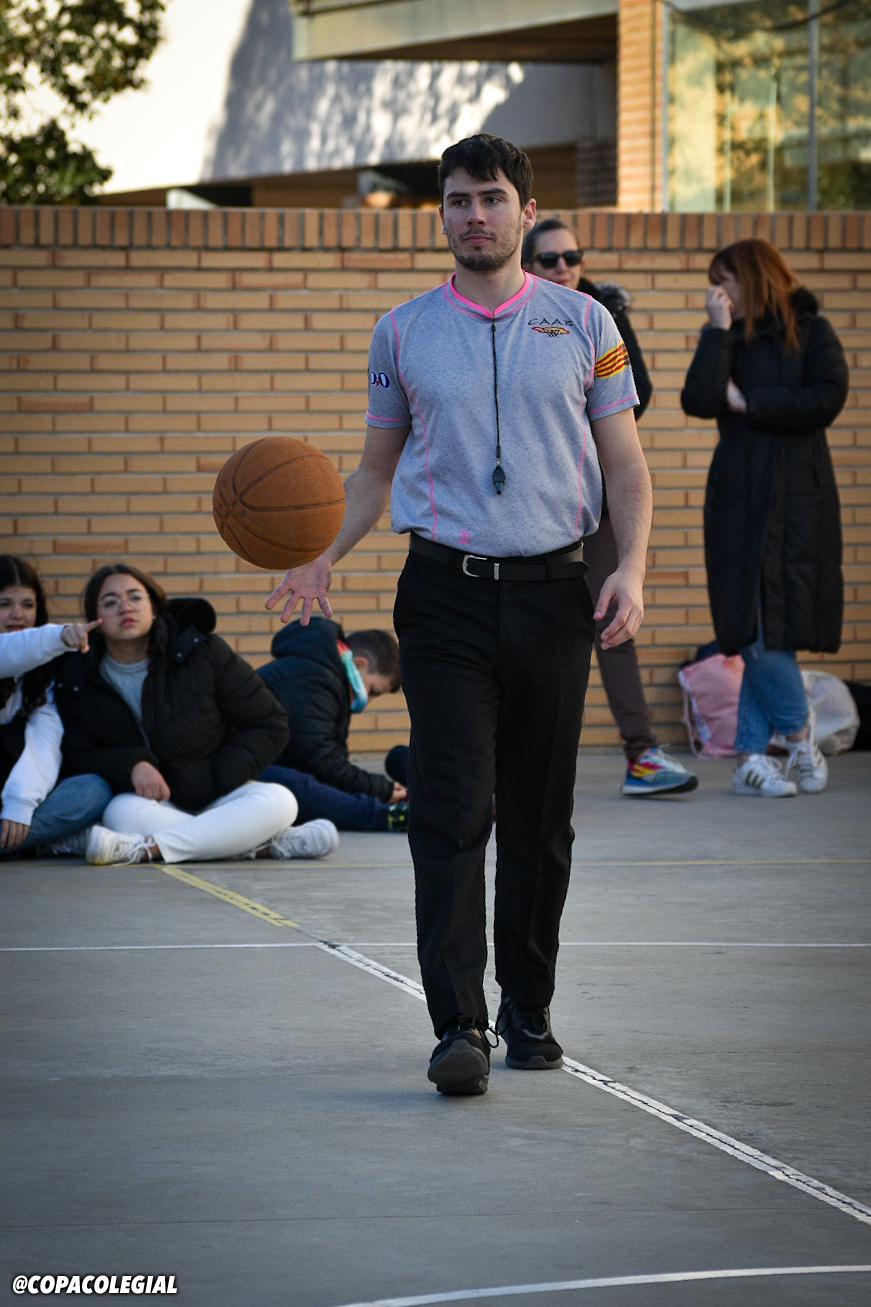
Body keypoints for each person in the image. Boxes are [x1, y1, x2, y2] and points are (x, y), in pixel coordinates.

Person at [266, 134, 652, 1096]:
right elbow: (374, 471)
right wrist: (321, 554)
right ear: (439, 214)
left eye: (489, 198)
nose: (472, 214)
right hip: (440, 595)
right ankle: (458, 1026)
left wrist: (632, 570)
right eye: (455, 200)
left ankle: (528, 1009)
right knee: (450, 809)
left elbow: (627, 467)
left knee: (540, 818)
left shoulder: (586, 322)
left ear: (524, 210)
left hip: (553, 592)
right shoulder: (400, 330)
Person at [522, 218, 696, 798]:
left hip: (590, 495)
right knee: (526, 628)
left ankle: (642, 752)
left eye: (572, 255)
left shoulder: (599, 315)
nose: (563, 266)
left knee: (613, 614)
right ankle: (507, 767)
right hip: (523, 503)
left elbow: (633, 397)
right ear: (528, 263)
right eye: (549, 259)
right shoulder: (512, 314)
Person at [681, 239, 848, 797]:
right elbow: (700, 398)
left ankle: (753, 757)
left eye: (723, 280)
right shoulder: (729, 336)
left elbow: (825, 400)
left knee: (770, 622)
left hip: (799, 498)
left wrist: (748, 403)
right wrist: (716, 330)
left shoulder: (812, 331)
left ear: (753, 278)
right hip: (737, 498)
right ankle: (799, 736)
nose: (717, 291)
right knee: (750, 623)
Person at [53, 564, 339, 864]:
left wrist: (216, 777)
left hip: (220, 796)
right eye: (110, 602)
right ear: (94, 618)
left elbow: (271, 724)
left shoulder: (202, 652)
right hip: (150, 803)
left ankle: (144, 849)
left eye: (135, 597)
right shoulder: (79, 677)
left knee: (280, 801)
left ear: (154, 607)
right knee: (118, 812)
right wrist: (132, 765)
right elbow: (76, 753)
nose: (125, 607)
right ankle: (259, 846)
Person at [0, 555, 110, 856]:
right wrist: (59, 636)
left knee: (92, 789)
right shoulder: (31, 646)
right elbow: (10, 652)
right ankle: (37, 843)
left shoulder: (43, 673)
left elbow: (44, 741)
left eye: (27, 605)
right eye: (4, 604)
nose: (16, 615)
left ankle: (17, 842)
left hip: (10, 800)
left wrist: (19, 803)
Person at [258, 618, 409, 830]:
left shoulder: (326, 675)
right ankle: (387, 816)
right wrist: (379, 789)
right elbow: (318, 758)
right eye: (373, 691)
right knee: (296, 786)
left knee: (313, 786)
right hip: (243, 772)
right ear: (359, 664)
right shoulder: (314, 677)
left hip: (260, 766)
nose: (367, 701)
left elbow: (329, 759)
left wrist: (374, 789)